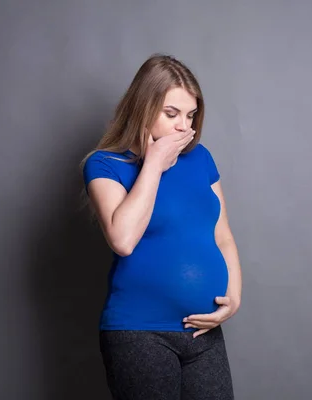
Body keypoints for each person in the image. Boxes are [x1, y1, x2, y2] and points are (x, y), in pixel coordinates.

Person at [80, 54, 242, 400]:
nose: (185, 127)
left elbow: (222, 234)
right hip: (139, 333)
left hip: (203, 332)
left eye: (191, 115)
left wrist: (234, 297)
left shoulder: (201, 158)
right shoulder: (105, 164)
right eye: (172, 114)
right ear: (143, 107)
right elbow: (122, 240)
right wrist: (153, 164)